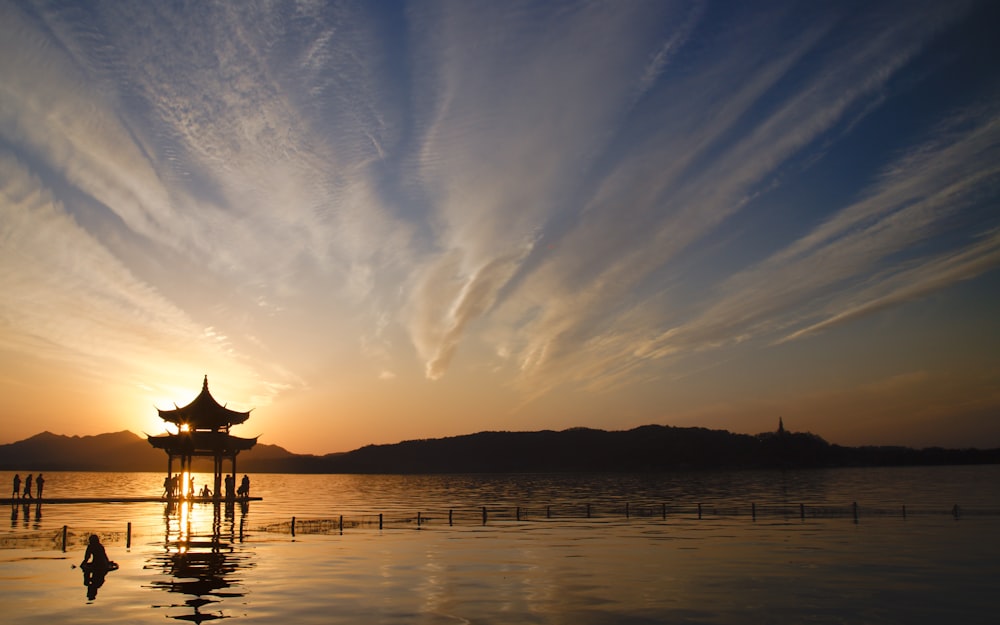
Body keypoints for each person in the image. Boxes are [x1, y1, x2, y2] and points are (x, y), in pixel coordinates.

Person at [80, 534, 116, 600]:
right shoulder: (100, 546)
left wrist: (82, 566)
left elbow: (87, 558)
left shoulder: (91, 547)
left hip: (99, 565)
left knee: (87, 574)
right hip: (102, 565)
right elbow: (105, 557)